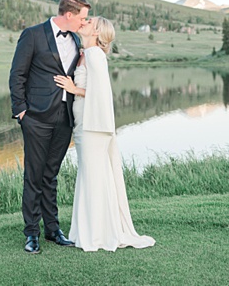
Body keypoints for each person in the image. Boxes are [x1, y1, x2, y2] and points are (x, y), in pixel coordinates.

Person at [56, 16, 155, 251]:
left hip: (93, 126)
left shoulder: (94, 55)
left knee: (93, 177)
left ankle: (97, 235)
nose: (84, 22)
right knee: (90, 176)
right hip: (82, 123)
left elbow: (99, 93)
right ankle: (86, 231)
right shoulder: (83, 53)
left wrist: (73, 89)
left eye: (89, 21)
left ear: (97, 31)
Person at [8, 0, 90, 253]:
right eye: (82, 18)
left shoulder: (77, 40)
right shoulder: (32, 35)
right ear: (69, 15)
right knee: (33, 176)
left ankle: (53, 230)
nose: (84, 23)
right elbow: (17, 75)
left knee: (50, 176)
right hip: (36, 118)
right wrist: (21, 112)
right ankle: (32, 233)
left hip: (65, 119)